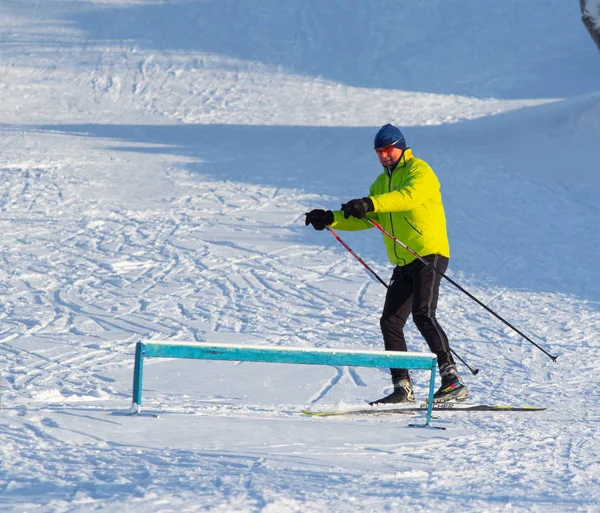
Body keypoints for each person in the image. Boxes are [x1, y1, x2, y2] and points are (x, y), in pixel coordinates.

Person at [305, 124, 469, 404]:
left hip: (428, 254)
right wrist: (331, 218)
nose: (384, 155)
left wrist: (370, 203)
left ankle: (452, 380)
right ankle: (402, 388)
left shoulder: (420, 171)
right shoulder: (380, 184)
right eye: (379, 151)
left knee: (423, 314)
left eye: (388, 149)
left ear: (401, 147)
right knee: (390, 322)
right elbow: (368, 217)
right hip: (403, 261)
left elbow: (408, 198)